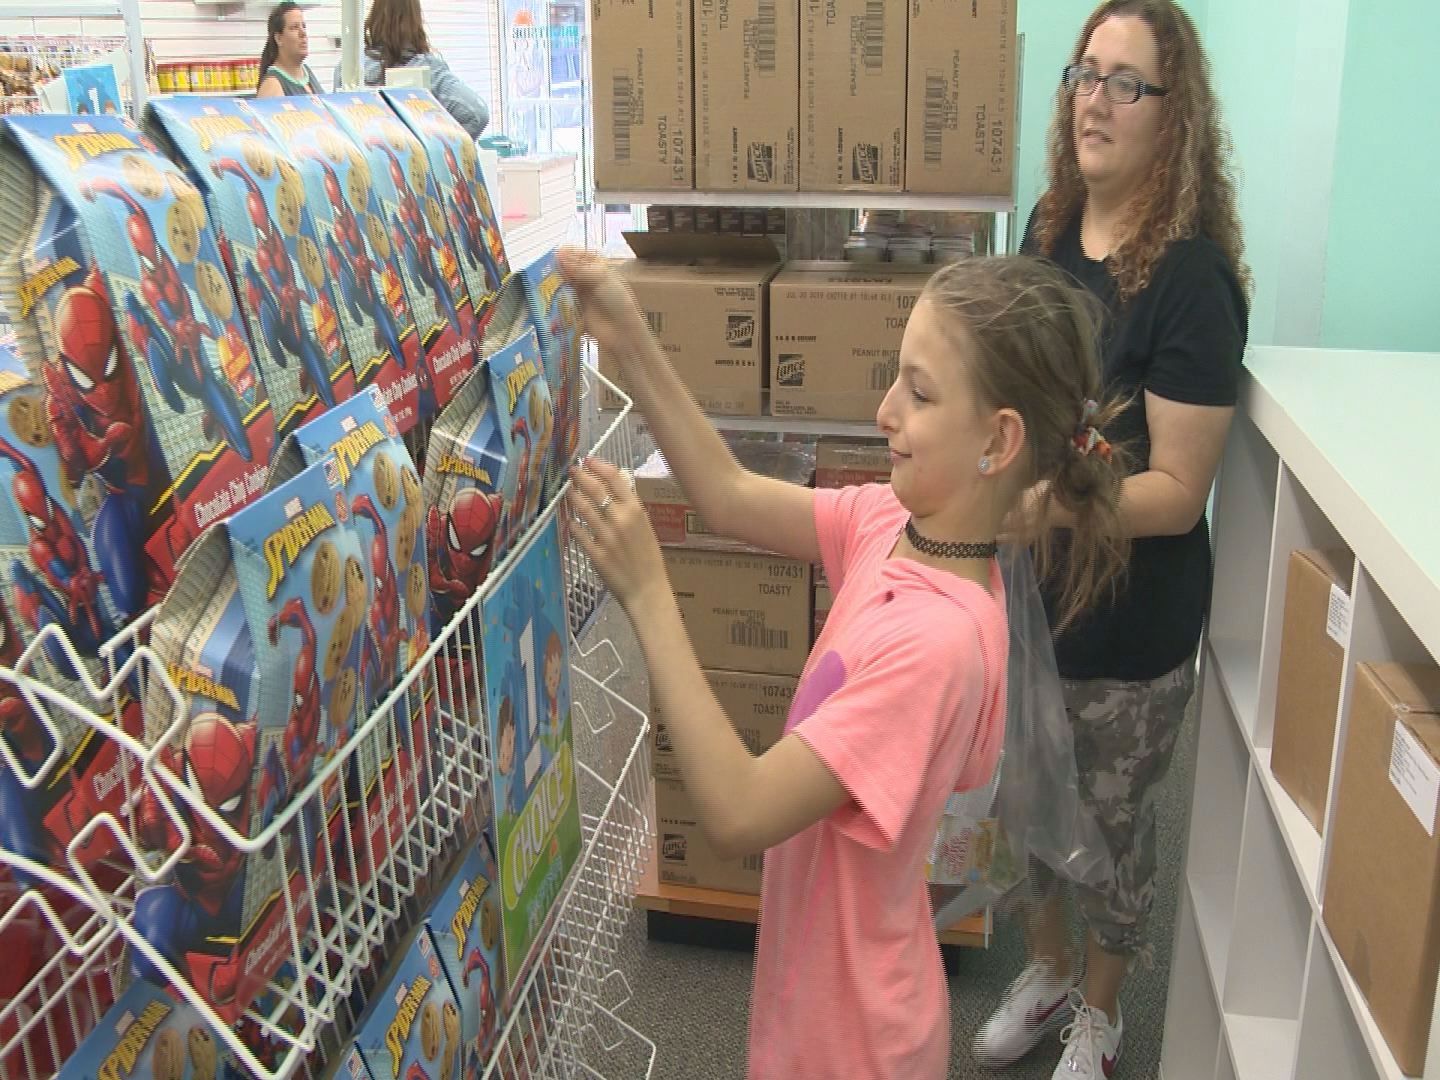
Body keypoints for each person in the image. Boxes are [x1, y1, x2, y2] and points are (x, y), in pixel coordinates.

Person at [560, 247, 1130, 1080]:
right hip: (814, 998)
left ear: (997, 440)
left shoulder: (935, 646)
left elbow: (741, 809)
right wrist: (628, 332)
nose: (884, 410)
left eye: (920, 393)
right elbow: (728, 495)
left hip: (856, 1041)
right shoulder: (890, 524)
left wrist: (650, 591)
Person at [973, 3, 1250, 1078]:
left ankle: (1100, 1011)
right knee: (1027, 809)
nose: (1096, 99)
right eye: (1086, 74)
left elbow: (1177, 492)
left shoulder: (1191, 280)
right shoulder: (1046, 234)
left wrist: (1045, 507)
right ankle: (1046, 972)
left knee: (1112, 831)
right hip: (1031, 604)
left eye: (1126, 82)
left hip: (1131, 630)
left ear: (1174, 117)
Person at [340, 0, 490, 141]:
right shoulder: (428, 68)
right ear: (415, 20)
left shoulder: (347, 70)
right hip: (416, 158)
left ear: (375, 16)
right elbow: (476, 114)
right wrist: (442, 150)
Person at [256, 2, 323, 98]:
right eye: (294, 27)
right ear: (279, 38)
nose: (303, 33)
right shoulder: (272, 86)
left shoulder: (307, 72)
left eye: (303, 26)